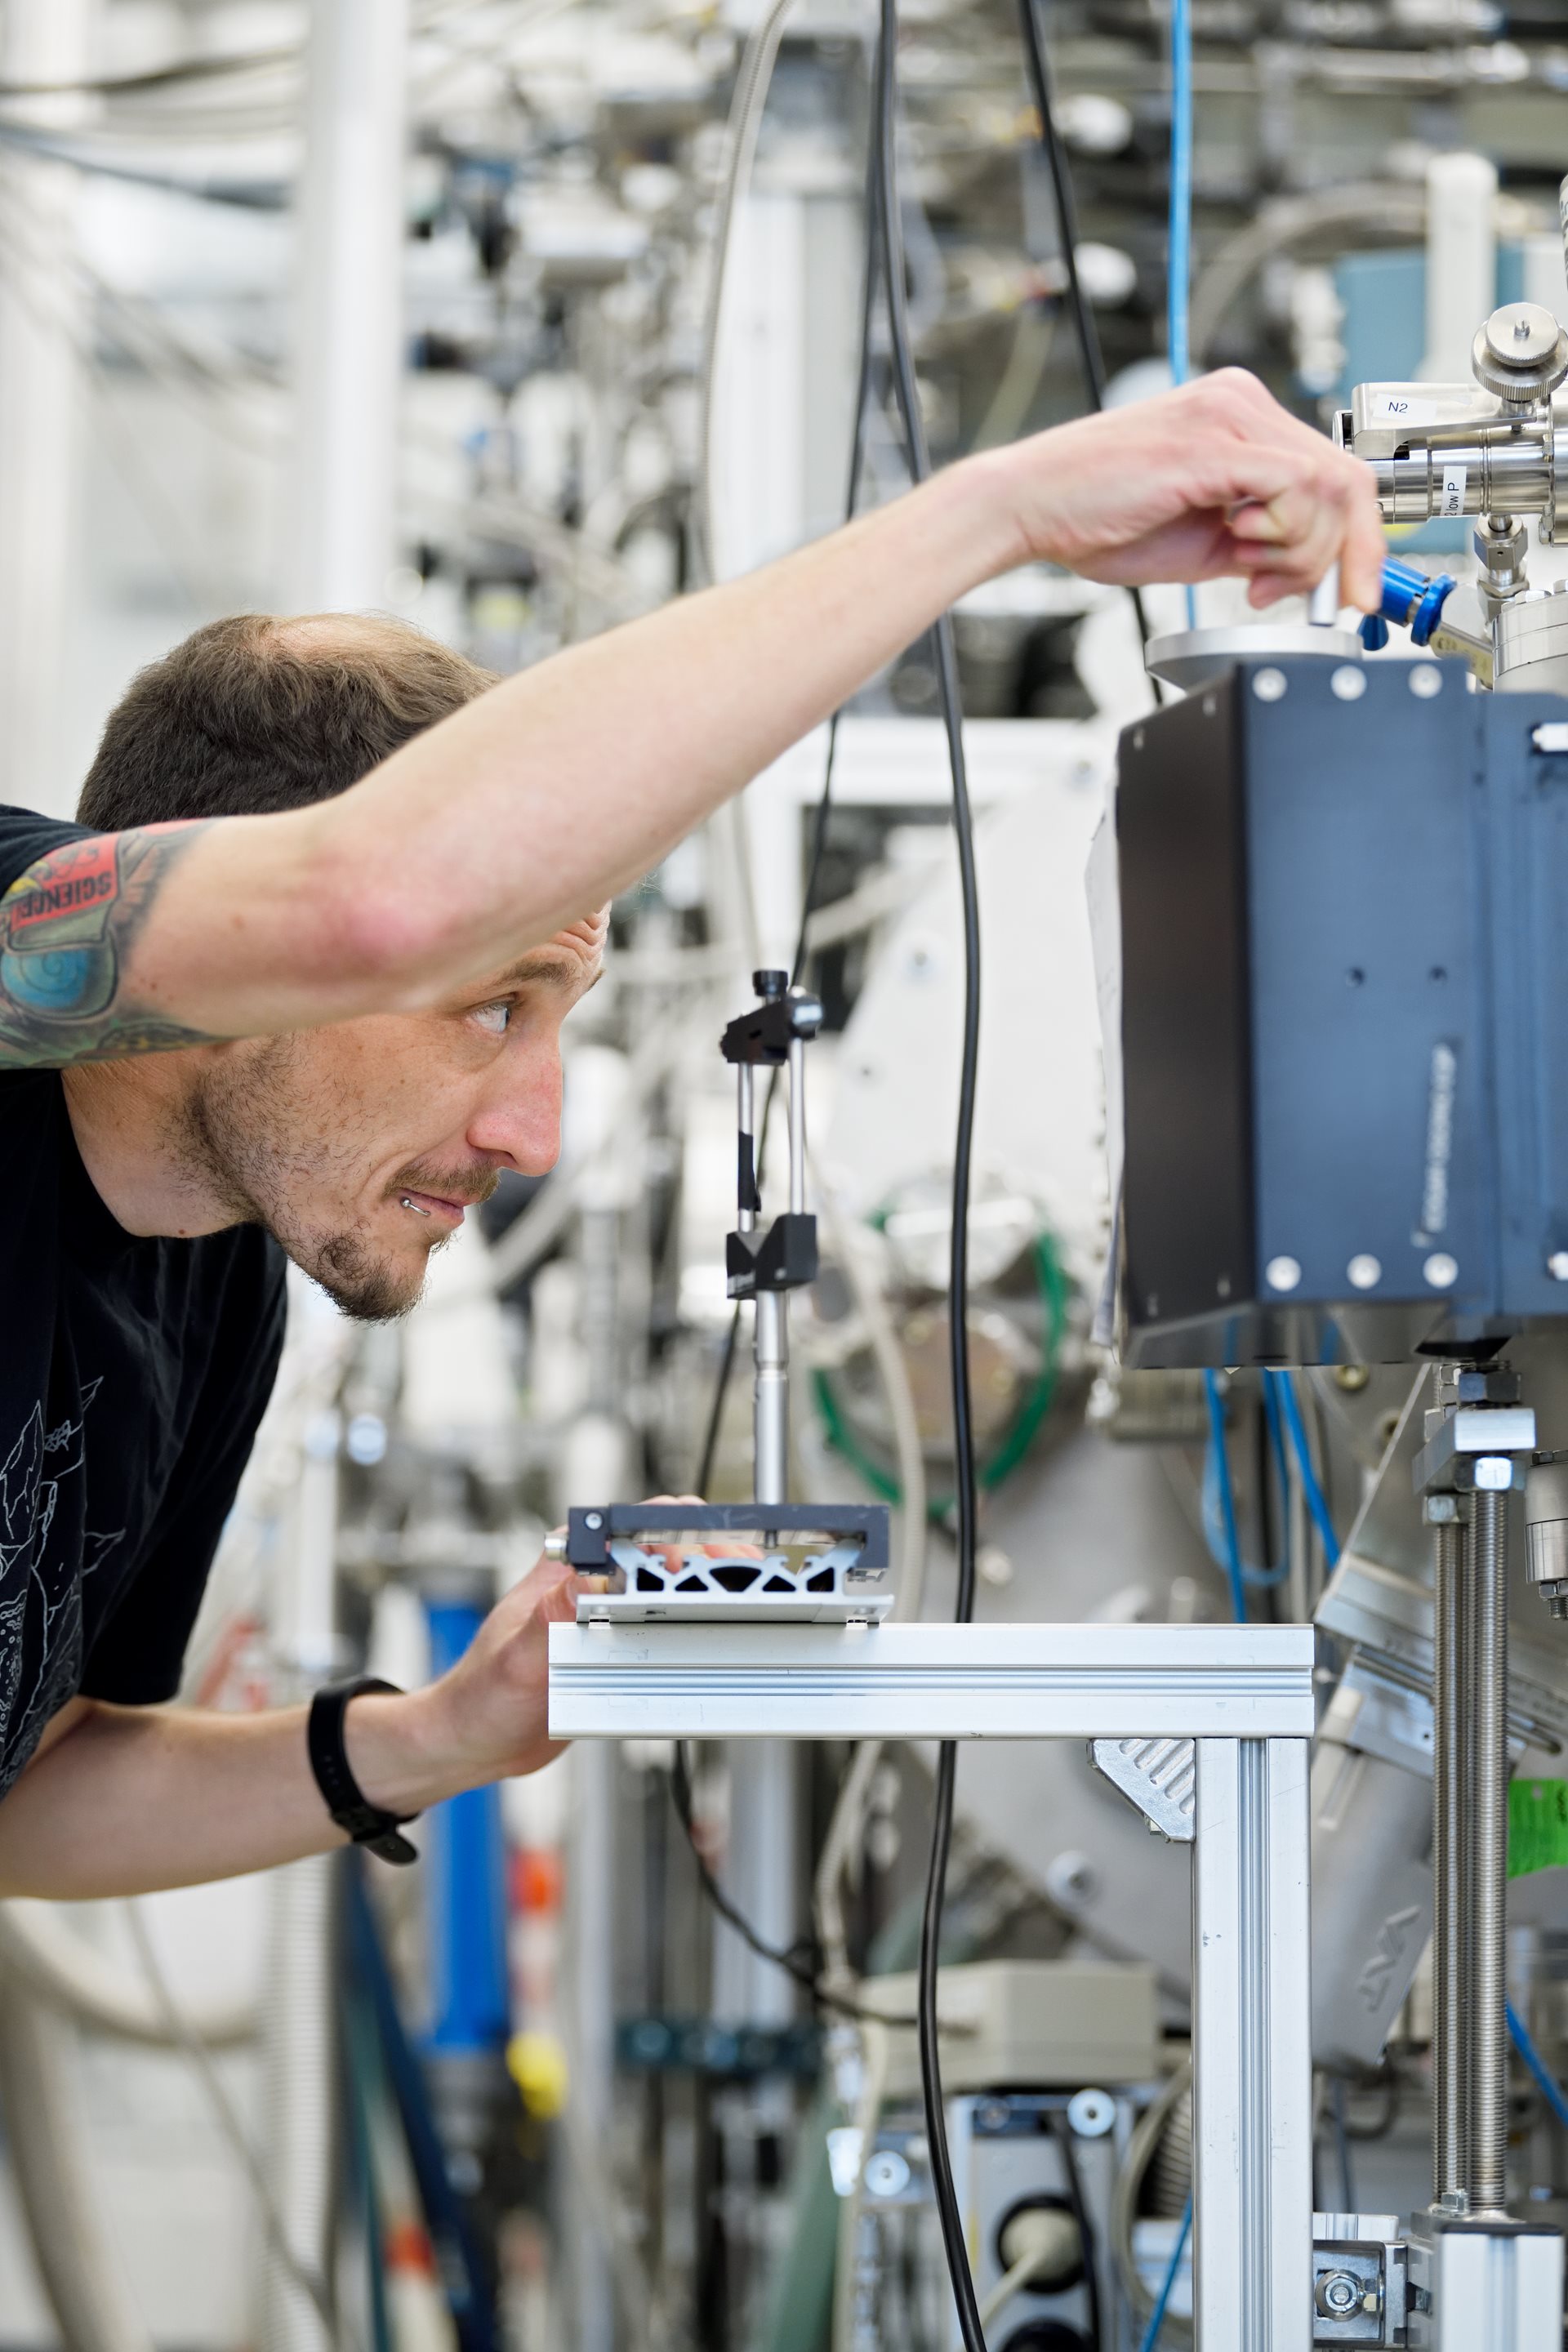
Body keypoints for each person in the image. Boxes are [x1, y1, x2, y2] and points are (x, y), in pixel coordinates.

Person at [0, 372, 1383, 1897]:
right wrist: (1007, 510)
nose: (534, 1133)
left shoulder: (209, 1281)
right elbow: (377, 899)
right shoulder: (12, 940)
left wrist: (452, 1732)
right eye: (489, 1005)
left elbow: (35, 1783)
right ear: (243, 948)